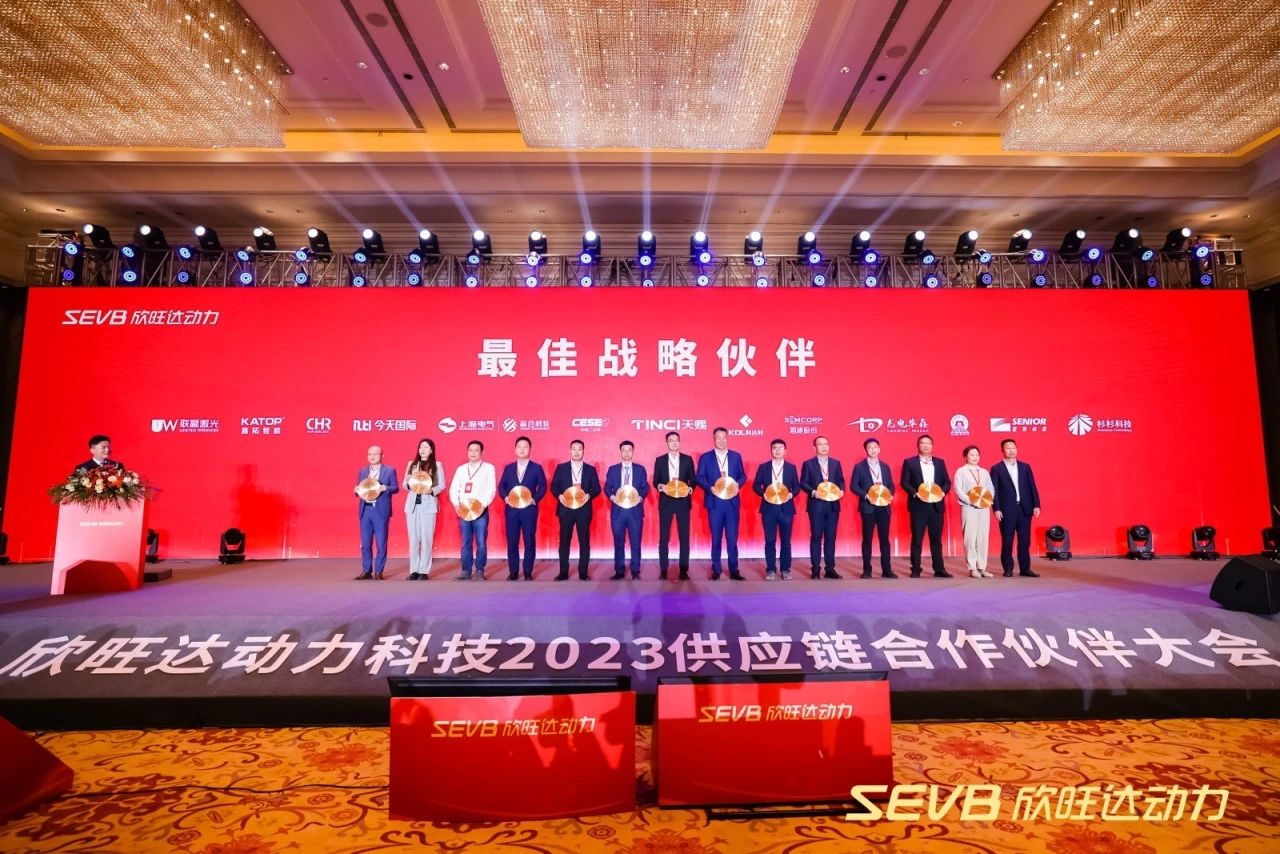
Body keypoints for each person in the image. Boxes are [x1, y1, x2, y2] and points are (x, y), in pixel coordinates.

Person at [696, 427, 747, 581]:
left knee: (732, 539)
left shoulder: (736, 456)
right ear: (714, 439)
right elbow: (699, 477)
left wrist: (738, 484)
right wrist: (710, 488)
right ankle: (716, 569)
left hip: (731, 503)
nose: (722, 440)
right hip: (715, 502)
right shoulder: (706, 457)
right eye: (718, 437)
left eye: (724, 437)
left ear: (727, 438)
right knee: (716, 538)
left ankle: (734, 570)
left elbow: (742, 475)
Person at [900, 434, 953, 578]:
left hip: (936, 506)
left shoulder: (940, 462)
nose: (925, 445)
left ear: (932, 446)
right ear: (918, 445)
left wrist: (942, 492)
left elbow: (947, 482)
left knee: (936, 539)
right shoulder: (910, 462)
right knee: (917, 539)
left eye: (928, 443)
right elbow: (904, 482)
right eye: (922, 443)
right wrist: (915, 493)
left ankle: (939, 569)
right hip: (919, 505)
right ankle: (916, 569)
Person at [550, 439, 602, 580]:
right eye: (574, 449)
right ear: (570, 451)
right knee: (564, 541)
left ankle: (583, 573)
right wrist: (559, 496)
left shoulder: (590, 469)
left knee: (584, 542)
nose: (577, 452)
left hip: (583, 509)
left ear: (583, 451)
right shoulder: (561, 468)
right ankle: (563, 572)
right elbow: (554, 486)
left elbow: (597, 488)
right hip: (566, 508)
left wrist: (589, 495)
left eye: (580, 449)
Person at [990, 438, 1042, 578]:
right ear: (1002, 450)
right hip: (1006, 510)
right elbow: (994, 490)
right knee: (1007, 540)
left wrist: (1036, 505)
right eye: (1008, 448)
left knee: (1025, 541)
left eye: (1013, 448)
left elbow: (1032, 486)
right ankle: (1008, 569)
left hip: (1025, 509)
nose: (1011, 450)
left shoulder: (1025, 467)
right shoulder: (996, 469)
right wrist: (996, 508)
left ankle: (1025, 569)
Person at [498, 436, 547, 581]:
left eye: (525, 447)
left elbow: (543, 487)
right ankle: (513, 571)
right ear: (515, 449)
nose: (522, 449)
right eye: (519, 446)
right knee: (512, 541)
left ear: (530, 449)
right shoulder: (509, 468)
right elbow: (501, 486)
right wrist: (506, 498)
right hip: (512, 510)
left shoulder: (536, 468)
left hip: (529, 510)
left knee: (529, 541)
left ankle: (527, 571)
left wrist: (534, 499)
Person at [752, 438, 800, 580]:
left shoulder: (791, 468)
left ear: (785, 451)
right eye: (774, 448)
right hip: (769, 508)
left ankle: (785, 570)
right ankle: (771, 570)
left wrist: (791, 494)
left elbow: (797, 487)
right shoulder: (763, 467)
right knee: (770, 541)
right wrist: (764, 494)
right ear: (771, 450)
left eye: (780, 448)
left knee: (786, 542)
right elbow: (756, 485)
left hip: (786, 508)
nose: (777, 450)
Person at [449, 440, 497, 580]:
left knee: (481, 542)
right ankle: (466, 571)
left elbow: (491, 489)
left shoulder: (488, 468)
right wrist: (456, 504)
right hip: (464, 510)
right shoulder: (461, 469)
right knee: (466, 542)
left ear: (482, 452)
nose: (473, 453)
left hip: (480, 510)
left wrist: (483, 504)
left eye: (476, 450)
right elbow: (454, 488)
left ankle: (480, 570)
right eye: (470, 450)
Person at [850, 437, 897, 579]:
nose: (873, 450)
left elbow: (891, 485)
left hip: (884, 507)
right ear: (865, 450)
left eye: (875, 447)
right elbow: (854, 486)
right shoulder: (859, 467)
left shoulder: (885, 466)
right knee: (867, 540)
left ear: (879, 449)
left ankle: (887, 570)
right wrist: (866, 496)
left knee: (885, 540)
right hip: (868, 507)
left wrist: (890, 495)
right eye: (870, 447)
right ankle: (867, 570)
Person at [799, 435, 845, 579]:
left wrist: (841, 490)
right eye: (820, 444)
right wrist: (813, 492)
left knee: (831, 538)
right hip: (816, 505)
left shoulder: (836, 463)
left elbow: (841, 481)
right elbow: (803, 483)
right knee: (816, 537)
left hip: (832, 505)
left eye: (826, 444)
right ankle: (815, 569)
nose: (824, 447)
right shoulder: (808, 464)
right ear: (814, 448)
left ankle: (830, 569)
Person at [653, 431, 696, 580]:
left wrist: (690, 489)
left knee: (684, 537)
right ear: (667, 443)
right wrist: (661, 487)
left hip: (683, 501)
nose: (674, 443)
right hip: (666, 501)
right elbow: (656, 481)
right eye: (671, 440)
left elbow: (693, 480)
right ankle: (663, 570)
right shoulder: (660, 460)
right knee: (664, 537)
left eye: (676, 440)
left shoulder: (687, 459)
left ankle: (684, 570)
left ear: (679, 442)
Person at [403, 438, 447, 580]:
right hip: (412, 506)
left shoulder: (437, 465)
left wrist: (431, 491)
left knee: (427, 539)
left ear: (431, 450)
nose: (422, 450)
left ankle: (424, 570)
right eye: (421, 447)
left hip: (428, 505)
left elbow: (442, 485)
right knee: (413, 539)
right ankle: (414, 570)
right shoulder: (411, 464)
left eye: (426, 447)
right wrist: (409, 481)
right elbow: (405, 485)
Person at [605, 440, 649, 580]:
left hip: (635, 511)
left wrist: (640, 498)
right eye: (624, 450)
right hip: (618, 511)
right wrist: (612, 497)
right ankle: (619, 571)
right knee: (618, 543)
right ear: (620, 452)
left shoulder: (640, 469)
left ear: (633, 451)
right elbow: (607, 488)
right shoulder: (612, 470)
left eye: (629, 450)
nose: (626, 453)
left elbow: (645, 487)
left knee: (635, 543)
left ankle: (635, 570)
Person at [354, 445, 399, 580]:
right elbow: (361, 488)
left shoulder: (389, 471)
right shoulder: (362, 471)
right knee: (365, 544)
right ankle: (366, 570)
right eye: (370, 454)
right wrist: (356, 490)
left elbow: (396, 488)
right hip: (365, 510)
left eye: (375, 454)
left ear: (382, 456)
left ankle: (379, 571)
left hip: (380, 511)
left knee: (381, 543)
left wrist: (386, 488)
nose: (372, 457)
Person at [953, 445, 994, 578]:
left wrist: (987, 500)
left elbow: (990, 488)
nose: (975, 457)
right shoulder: (961, 471)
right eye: (972, 455)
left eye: (977, 455)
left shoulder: (984, 472)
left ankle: (982, 567)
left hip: (984, 507)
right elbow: (958, 490)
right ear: (965, 457)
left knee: (983, 537)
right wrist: (971, 501)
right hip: (969, 507)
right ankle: (972, 567)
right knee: (970, 537)